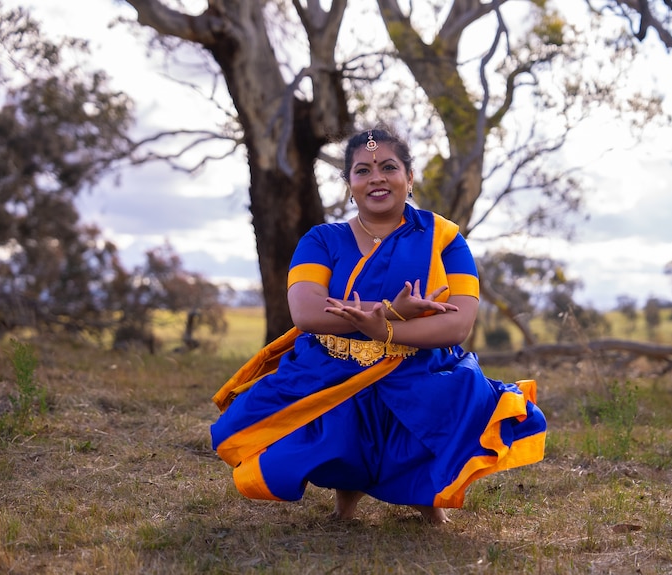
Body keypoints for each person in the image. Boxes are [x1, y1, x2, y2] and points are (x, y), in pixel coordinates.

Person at [210, 127, 547, 524]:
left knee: (440, 397)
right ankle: (344, 506)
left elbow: (458, 325)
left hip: (417, 364)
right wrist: (390, 311)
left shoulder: (445, 240)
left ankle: (430, 505)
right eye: (362, 171)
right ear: (349, 184)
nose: (376, 178)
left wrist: (385, 333)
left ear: (409, 177)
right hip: (333, 365)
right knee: (335, 421)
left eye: (389, 167)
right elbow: (306, 312)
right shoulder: (321, 240)